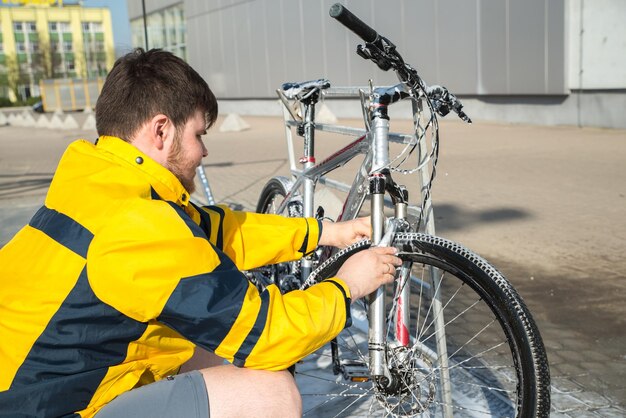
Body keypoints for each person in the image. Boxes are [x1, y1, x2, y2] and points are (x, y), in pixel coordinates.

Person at [0, 49, 401, 418]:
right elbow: (266, 331)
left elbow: (220, 230)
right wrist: (347, 285)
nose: (204, 153)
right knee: (271, 391)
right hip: (42, 408)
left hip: (38, 382)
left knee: (209, 349)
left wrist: (327, 233)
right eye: (199, 135)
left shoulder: (99, 183)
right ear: (161, 132)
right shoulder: (138, 224)